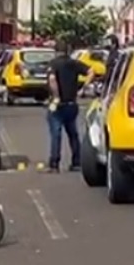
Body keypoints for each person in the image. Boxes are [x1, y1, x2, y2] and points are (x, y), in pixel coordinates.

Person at [45, 41, 91, 172]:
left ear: (56, 51)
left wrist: (56, 96)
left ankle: (54, 163)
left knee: (56, 134)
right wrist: (83, 89)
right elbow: (91, 71)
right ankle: (76, 162)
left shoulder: (54, 64)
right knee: (73, 134)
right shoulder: (74, 63)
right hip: (71, 103)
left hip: (58, 104)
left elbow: (52, 80)